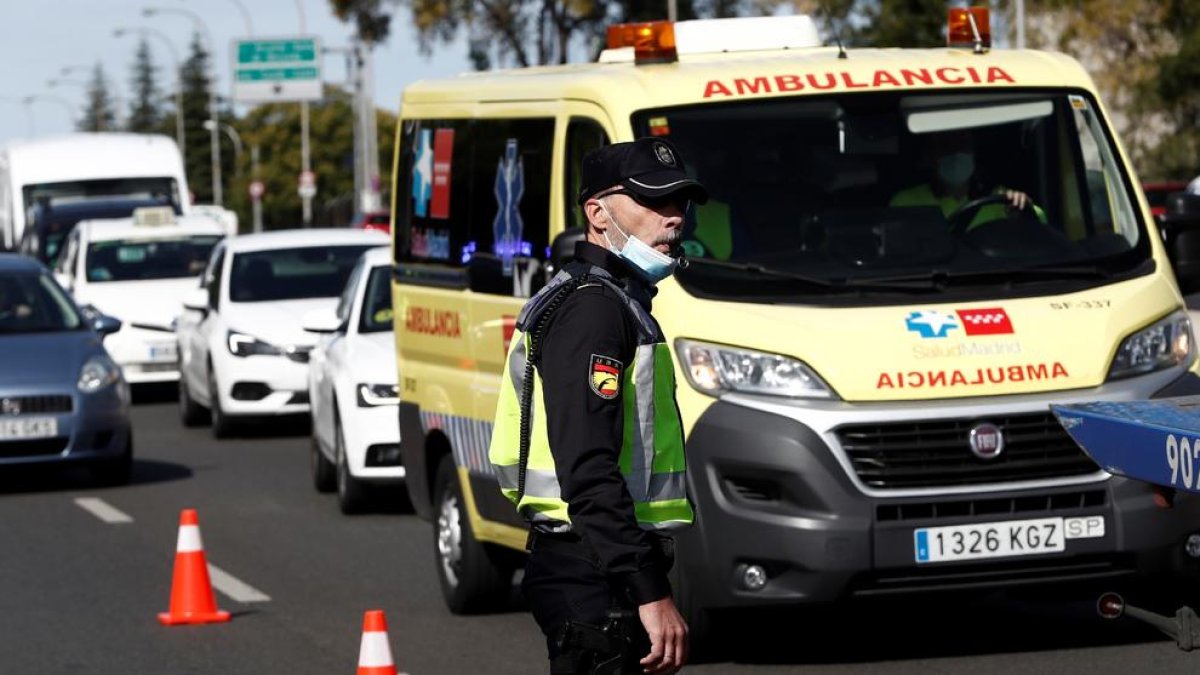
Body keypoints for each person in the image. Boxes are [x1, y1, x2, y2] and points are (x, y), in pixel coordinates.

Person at [489, 137, 706, 675]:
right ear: (598, 213)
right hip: (593, 572)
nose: (674, 216)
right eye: (654, 202)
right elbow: (588, 470)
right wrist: (647, 590)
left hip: (597, 562)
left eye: (680, 201)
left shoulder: (611, 300)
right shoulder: (593, 310)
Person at [890, 129, 1042, 230]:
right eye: (946, 145)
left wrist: (1022, 209)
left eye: (963, 144)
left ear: (974, 153)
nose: (956, 153)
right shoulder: (905, 203)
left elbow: (1041, 227)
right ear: (929, 157)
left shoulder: (1000, 199)